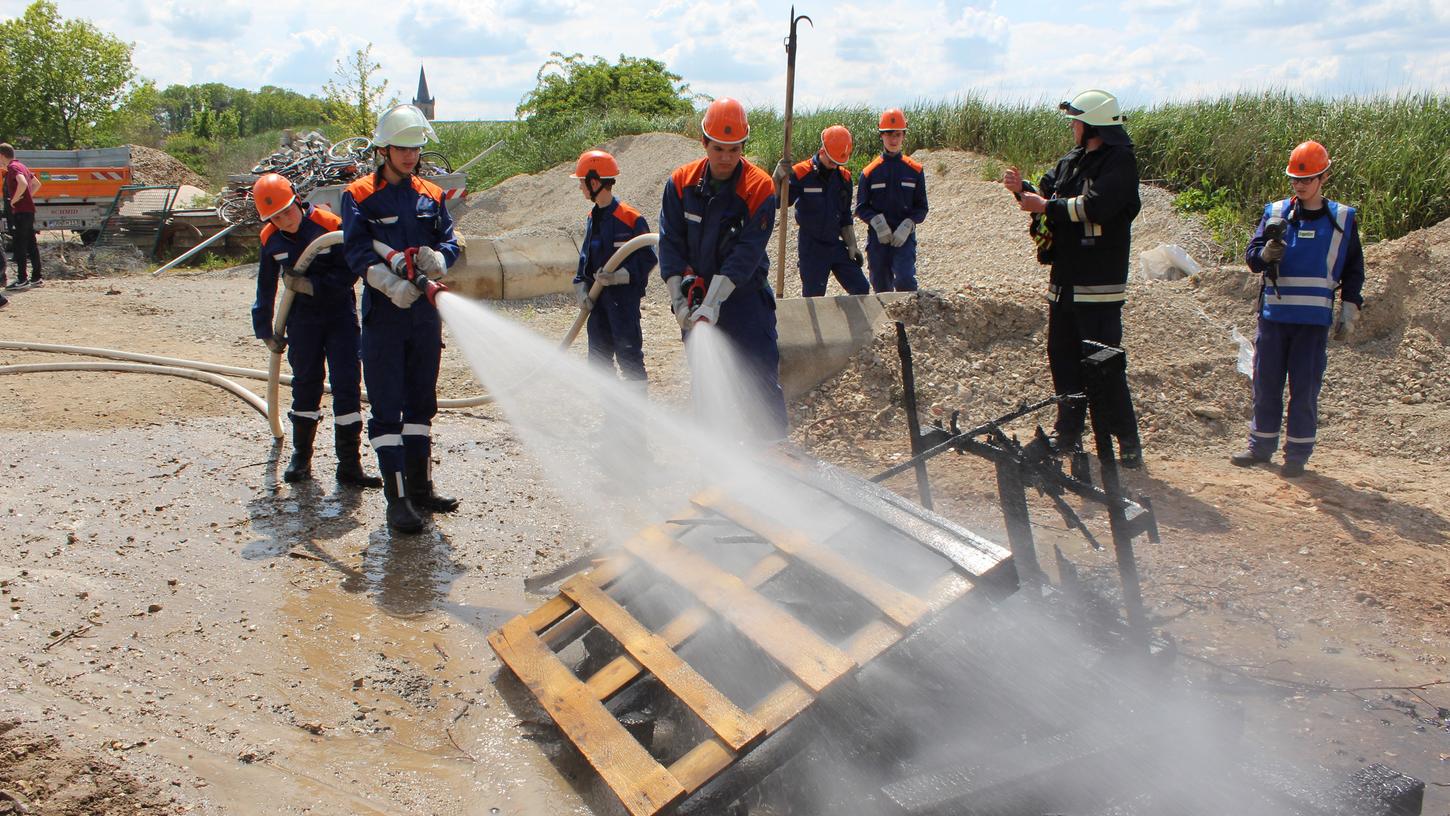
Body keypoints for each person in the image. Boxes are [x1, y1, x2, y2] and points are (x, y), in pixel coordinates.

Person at [1003, 89, 1143, 468]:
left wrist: (1045, 205)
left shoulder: (1119, 164)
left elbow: (1096, 206)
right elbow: (1047, 193)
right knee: (1062, 360)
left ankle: (1126, 441)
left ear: (1094, 125)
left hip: (1098, 289)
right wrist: (1023, 191)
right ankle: (1068, 434)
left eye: (1077, 122)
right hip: (1064, 285)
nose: (1073, 128)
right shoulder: (1073, 162)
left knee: (1102, 366)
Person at [341, 104, 459, 533]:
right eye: (402, 148)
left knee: (421, 404)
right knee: (388, 406)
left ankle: (421, 488)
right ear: (383, 149)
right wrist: (388, 284)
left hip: (424, 319)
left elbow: (450, 240)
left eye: (416, 147)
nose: (411, 156)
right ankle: (397, 501)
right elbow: (354, 251)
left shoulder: (431, 193)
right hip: (385, 318)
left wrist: (439, 258)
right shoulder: (357, 196)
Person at [1231, 140, 1363, 478]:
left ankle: (1297, 456)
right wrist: (1264, 256)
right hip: (1275, 318)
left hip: (1312, 322)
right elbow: (1251, 257)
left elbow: (1353, 269)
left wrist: (1350, 307)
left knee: (1304, 390)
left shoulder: (1343, 219)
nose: (1300, 185)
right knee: (1266, 385)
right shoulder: (1276, 214)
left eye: (1308, 179)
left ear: (1324, 178)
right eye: (1295, 179)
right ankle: (1260, 447)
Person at [658, 97, 787, 440]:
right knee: (707, 387)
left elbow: (746, 254)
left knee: (760, 378)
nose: (726, 157)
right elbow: (669, 243)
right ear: (704, 143)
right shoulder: (680, 183)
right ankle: (714, 466)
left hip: (745, 301)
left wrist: (713, 302)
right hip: (696, 298)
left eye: (734, 148)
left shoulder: (759, 187)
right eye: (718, 148)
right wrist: (680, 301)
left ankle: (775, 456)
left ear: (743, 144)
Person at [250, 173, 380, 489]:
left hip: (339, 316)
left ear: (297, 199)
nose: (284, 220)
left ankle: (350, 465)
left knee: (346, 384)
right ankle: (300, 459)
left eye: (286, 212)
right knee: (305, 384)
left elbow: (351, 271)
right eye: (275, 217)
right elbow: (265, 286)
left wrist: (311, 285)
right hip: (302, 321)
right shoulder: (271, 237)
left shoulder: (329, 224)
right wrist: (266, 330)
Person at [571, 149, 657, 389]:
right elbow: (585, 260)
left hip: (622, 304)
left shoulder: (629, 218)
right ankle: (613, 421)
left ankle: (635, 423)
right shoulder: (592, 217)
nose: (580, 188)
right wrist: (581, 289)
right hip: (597, 304)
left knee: (629, 359)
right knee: (599, 363)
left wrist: (619, 276)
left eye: (581, 182)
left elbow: (648, 256)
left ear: (595, 182)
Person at [772, 125, 870, 297]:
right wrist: (776, 180)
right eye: (831, 161)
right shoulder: (801, 173)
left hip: (835, 243)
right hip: (812, 247)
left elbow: (846, 216)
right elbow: (779, 203)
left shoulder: (844, 178)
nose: (834, 166)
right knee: (813, 297)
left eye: (838, 163)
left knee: (861, 288)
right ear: (822, 150)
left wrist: (852, 245)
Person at [855, 109, 927, 293]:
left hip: (903, 238)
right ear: (881, 136)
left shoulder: (915, 170)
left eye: (897, 134)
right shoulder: (869, 172)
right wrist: (877, 222)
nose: (893, 140)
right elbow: (862, 207)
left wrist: (909, 223)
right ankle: (887, 323)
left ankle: (908, 322)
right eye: (888, 134)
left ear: (904, 135)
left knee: (905, 281)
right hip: (878, 240)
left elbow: (921, 207)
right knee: (881, 287)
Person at [1, 144, 41, 289]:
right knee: (31, 244)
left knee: (20, 245)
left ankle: (22, 279)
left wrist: (15, 200)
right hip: (29, 211)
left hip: (21, 212)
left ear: (2, 155)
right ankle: (37, 277)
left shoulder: (12, 168)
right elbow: (36, 183)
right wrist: (27, 198)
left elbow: (23, 183)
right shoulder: (22, 165)